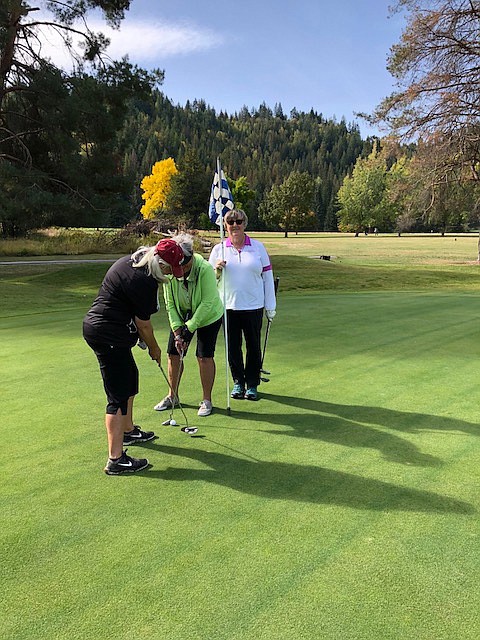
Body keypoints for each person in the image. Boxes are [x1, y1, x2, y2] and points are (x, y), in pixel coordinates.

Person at [83, 245, 169, 475]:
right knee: (117, 396)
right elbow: (143, 324)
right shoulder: (144, 281)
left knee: (130, 377)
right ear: (160, 264)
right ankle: (115, 459)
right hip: (107, 334)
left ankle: (128, 430)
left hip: (111, 332)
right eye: (168, 270)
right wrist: (155, 348)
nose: (168, 275)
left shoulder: (130, 262)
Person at [153, 233, 224, 417]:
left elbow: (207, 303)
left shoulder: (204, 268)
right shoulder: (169, 269)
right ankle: (172, 395)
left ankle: (207, 400)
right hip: (182, 313)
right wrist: (178, 332)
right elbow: (170, 304)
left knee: (204, 356)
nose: (182, 269)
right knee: (173, 354)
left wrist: (188, 328)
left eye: (185, 265)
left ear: (191, 257)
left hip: (209, 315)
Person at [209, 209, 276, 401]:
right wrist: (217, 270)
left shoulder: (257, 247)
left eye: (238, 221)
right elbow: (209, 281)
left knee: (253, 346)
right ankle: (238, 382)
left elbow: (267, 278)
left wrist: (270, 306)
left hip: (254, 306)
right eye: (230, 222)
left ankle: (252, 384)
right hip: (228, 306)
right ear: (225, 226)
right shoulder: (218, 249)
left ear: (244, 224)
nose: (235, 225)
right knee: (233, 347)